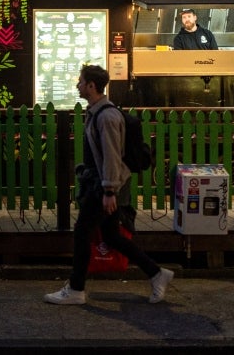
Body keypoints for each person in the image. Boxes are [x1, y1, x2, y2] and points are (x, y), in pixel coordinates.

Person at [44, 64, 174, 306]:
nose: (77, 85)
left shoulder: (107, 117)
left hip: (103, 187)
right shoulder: (96, 112)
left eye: (81, 81)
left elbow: (113, 156)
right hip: (101, 184)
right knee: (111, 236)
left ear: (92, 86)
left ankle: (76, 288)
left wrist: (109, 191)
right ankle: (156, 273)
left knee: (82, 232)